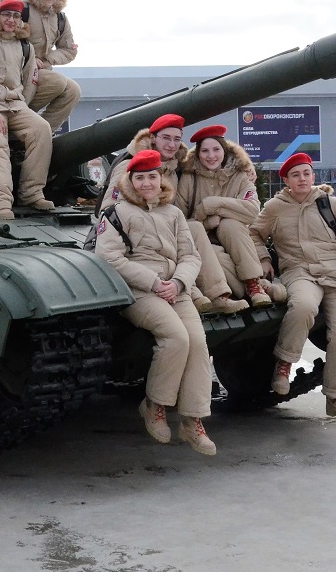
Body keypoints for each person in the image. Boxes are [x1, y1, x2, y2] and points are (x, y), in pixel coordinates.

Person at [95, 149, 216, 455]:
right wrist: (153, 282)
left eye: (152, 177)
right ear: (130, 181)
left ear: (160, 179)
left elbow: (191, 256)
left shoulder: (173, 214)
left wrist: (178, 283)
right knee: (176, 338)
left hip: (176, 289)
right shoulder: (117, 214)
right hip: (139, 291)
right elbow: (108, 258)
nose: (146, 183)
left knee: (198, 343)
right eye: (140, 178)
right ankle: (155, 405)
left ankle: (192, 421)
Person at [250, 152, 336, 422]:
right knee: (303, 306)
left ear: (313, 176)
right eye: (295, 175)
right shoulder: (275, 207)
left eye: (306, 174)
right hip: (299, 272)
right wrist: (264, 258)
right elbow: (253, 233)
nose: (302, 179)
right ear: (286, 180)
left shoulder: (330, 204)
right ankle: (284, 363)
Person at [101, 114, 249, 315]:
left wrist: (245, 168)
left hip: (168, 229)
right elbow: (108, 209)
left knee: (201, 236)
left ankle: (222, 294)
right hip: (138, 236)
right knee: (192, 233)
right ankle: (204, 295)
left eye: (176, 139)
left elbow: (208, 163)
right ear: (153, 138)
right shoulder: (129, 165)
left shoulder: (175, 166)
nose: (171, 145)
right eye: (166, 138)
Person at [0, 0, 53, 218]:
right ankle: (0, 203)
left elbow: (30, 79)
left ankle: (31, 193)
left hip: (15, 103)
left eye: (16, 16)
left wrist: (23, 103)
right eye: (6, 15)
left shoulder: (25, 46)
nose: (11, 20)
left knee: (41, 129)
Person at [176, 125, 272, 307]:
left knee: (230, 224)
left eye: (216, 149)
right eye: (205, 151)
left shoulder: (241, 176)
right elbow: (179, 221)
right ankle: (256, 288)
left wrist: (212, 205)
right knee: (215, 255)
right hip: (204, 241)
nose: (211, 156)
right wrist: (207, 223)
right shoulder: (189, 178)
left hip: (237, 240)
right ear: (198, 154)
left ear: (224, 150)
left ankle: (253, 284)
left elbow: (252, 210)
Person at [23, 0, 81, 132]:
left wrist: (48, 60)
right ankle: (19, 119)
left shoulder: (60, 18)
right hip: (19, 70)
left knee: (73, 90)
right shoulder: (21, 11)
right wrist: (30, 59)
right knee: (58, 81)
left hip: (43, 69)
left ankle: (44, 131)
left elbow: (69, 49)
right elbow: (6, 40)